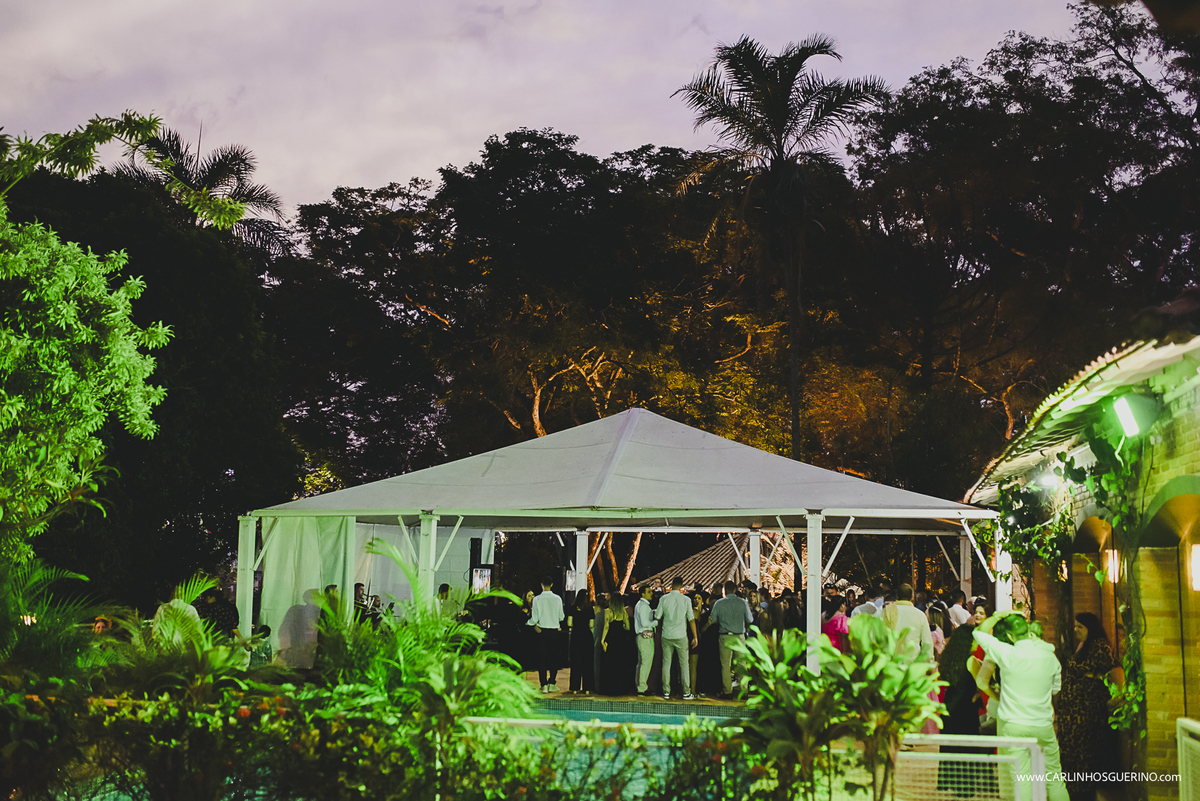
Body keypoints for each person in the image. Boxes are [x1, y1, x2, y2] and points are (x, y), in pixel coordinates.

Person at [973, 614, 1069, 801]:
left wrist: (997, 616)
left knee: (1022, 780)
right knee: (1055, 779)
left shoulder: (1006, 653)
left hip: (1014, 725)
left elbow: (978, 633)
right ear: (1028, 631)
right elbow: (1055, 690)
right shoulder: (1050, 657)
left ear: (1010, 636)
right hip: (1043, 725)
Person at [1056, 612, 1120, 801]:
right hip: (1073, 710)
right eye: (1075, 626)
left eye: (1080, 627)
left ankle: (1082, 791)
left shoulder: (1100, 646)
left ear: (1091, 628)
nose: (1076, 630)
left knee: (1082, 751)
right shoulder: (1084, 645)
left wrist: (1116, 695)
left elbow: (1112, 671)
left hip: (1085, 711)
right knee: (1071, 750)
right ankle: (1072, 789)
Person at [654, 576, 698, 700]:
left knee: (666, 663)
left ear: (672, 584)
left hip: (667, 635)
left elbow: (657, 616)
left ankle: (666, 691)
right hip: (681, 635)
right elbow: (691, 619)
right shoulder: (686, 600)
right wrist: (695, 636)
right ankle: (686, 692)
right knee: (684, 665)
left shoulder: (663, 599)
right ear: (681, 586)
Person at [710, 580, 752, 699]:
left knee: (725, 665)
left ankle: (727, 691)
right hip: (739, 635)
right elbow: (750, 619)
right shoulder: (743, 603)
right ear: (734, 589)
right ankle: (744, 690)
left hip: (725, 636)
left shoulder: (719, 603)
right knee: (742, 664)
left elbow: (713, 619)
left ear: (725, 590)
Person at [526, 575, 565, 693]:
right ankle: (552, 683)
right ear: (552, 585)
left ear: (541, 585)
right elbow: (561, 617)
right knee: (554, 658)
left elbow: (535, 618)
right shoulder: (557, 599)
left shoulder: (537, 599)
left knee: (541, 659)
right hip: (554, 632)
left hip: (541, 632)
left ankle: (543, 685)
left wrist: (528, 623)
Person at [881, 583, 934, 663]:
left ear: (897, 596)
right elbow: (927, 643)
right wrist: (929, 661)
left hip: (891, 662)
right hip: (913, 662)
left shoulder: (886, 612)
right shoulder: (920, 615)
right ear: (912, 597)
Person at [600, 592, 636, 695]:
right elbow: (627, 627)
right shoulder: (623, 612)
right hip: (621, 639)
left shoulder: (608, 611)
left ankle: (609, 689)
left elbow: (606, 626)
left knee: (610, 663)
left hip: (611, 639)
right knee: (620, 664)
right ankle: (621, 688)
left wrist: (602, 640)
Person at [568, 590, 595, 694]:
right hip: (587, 637)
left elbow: (569, 623)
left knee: (576, 662)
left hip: (576, 636)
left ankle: (575, 688)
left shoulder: (573, 608)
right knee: (587, 663)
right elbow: (591, 625)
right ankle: (587, 688)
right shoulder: (590, 609)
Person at [633, 585, 657, 695]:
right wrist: (655, 622)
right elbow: (645, 623)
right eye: (649, 592)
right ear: (643, 593)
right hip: (645, 637)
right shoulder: (643, 606)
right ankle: (642, 687)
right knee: (646, 662)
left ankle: (639, 685)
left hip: (640, 636)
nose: (651, 593)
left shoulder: (639, 605)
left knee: (641, 662)